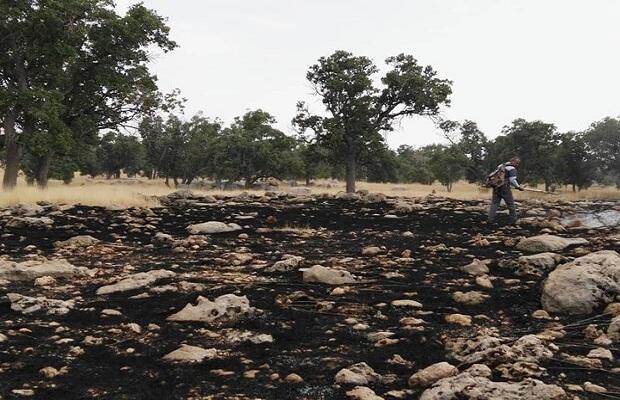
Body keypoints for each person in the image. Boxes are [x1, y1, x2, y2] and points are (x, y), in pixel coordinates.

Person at [488, 156, 524, 224]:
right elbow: (512, 180)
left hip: (496, 187)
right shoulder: (512, 169)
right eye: (517, 163)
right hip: (505, 188)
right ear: (512, 161)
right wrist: (518, 187)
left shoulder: (501, 166)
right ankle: (513, 220)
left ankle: (490, 219)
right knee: (511, 204)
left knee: (494, 204)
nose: (517, 165)